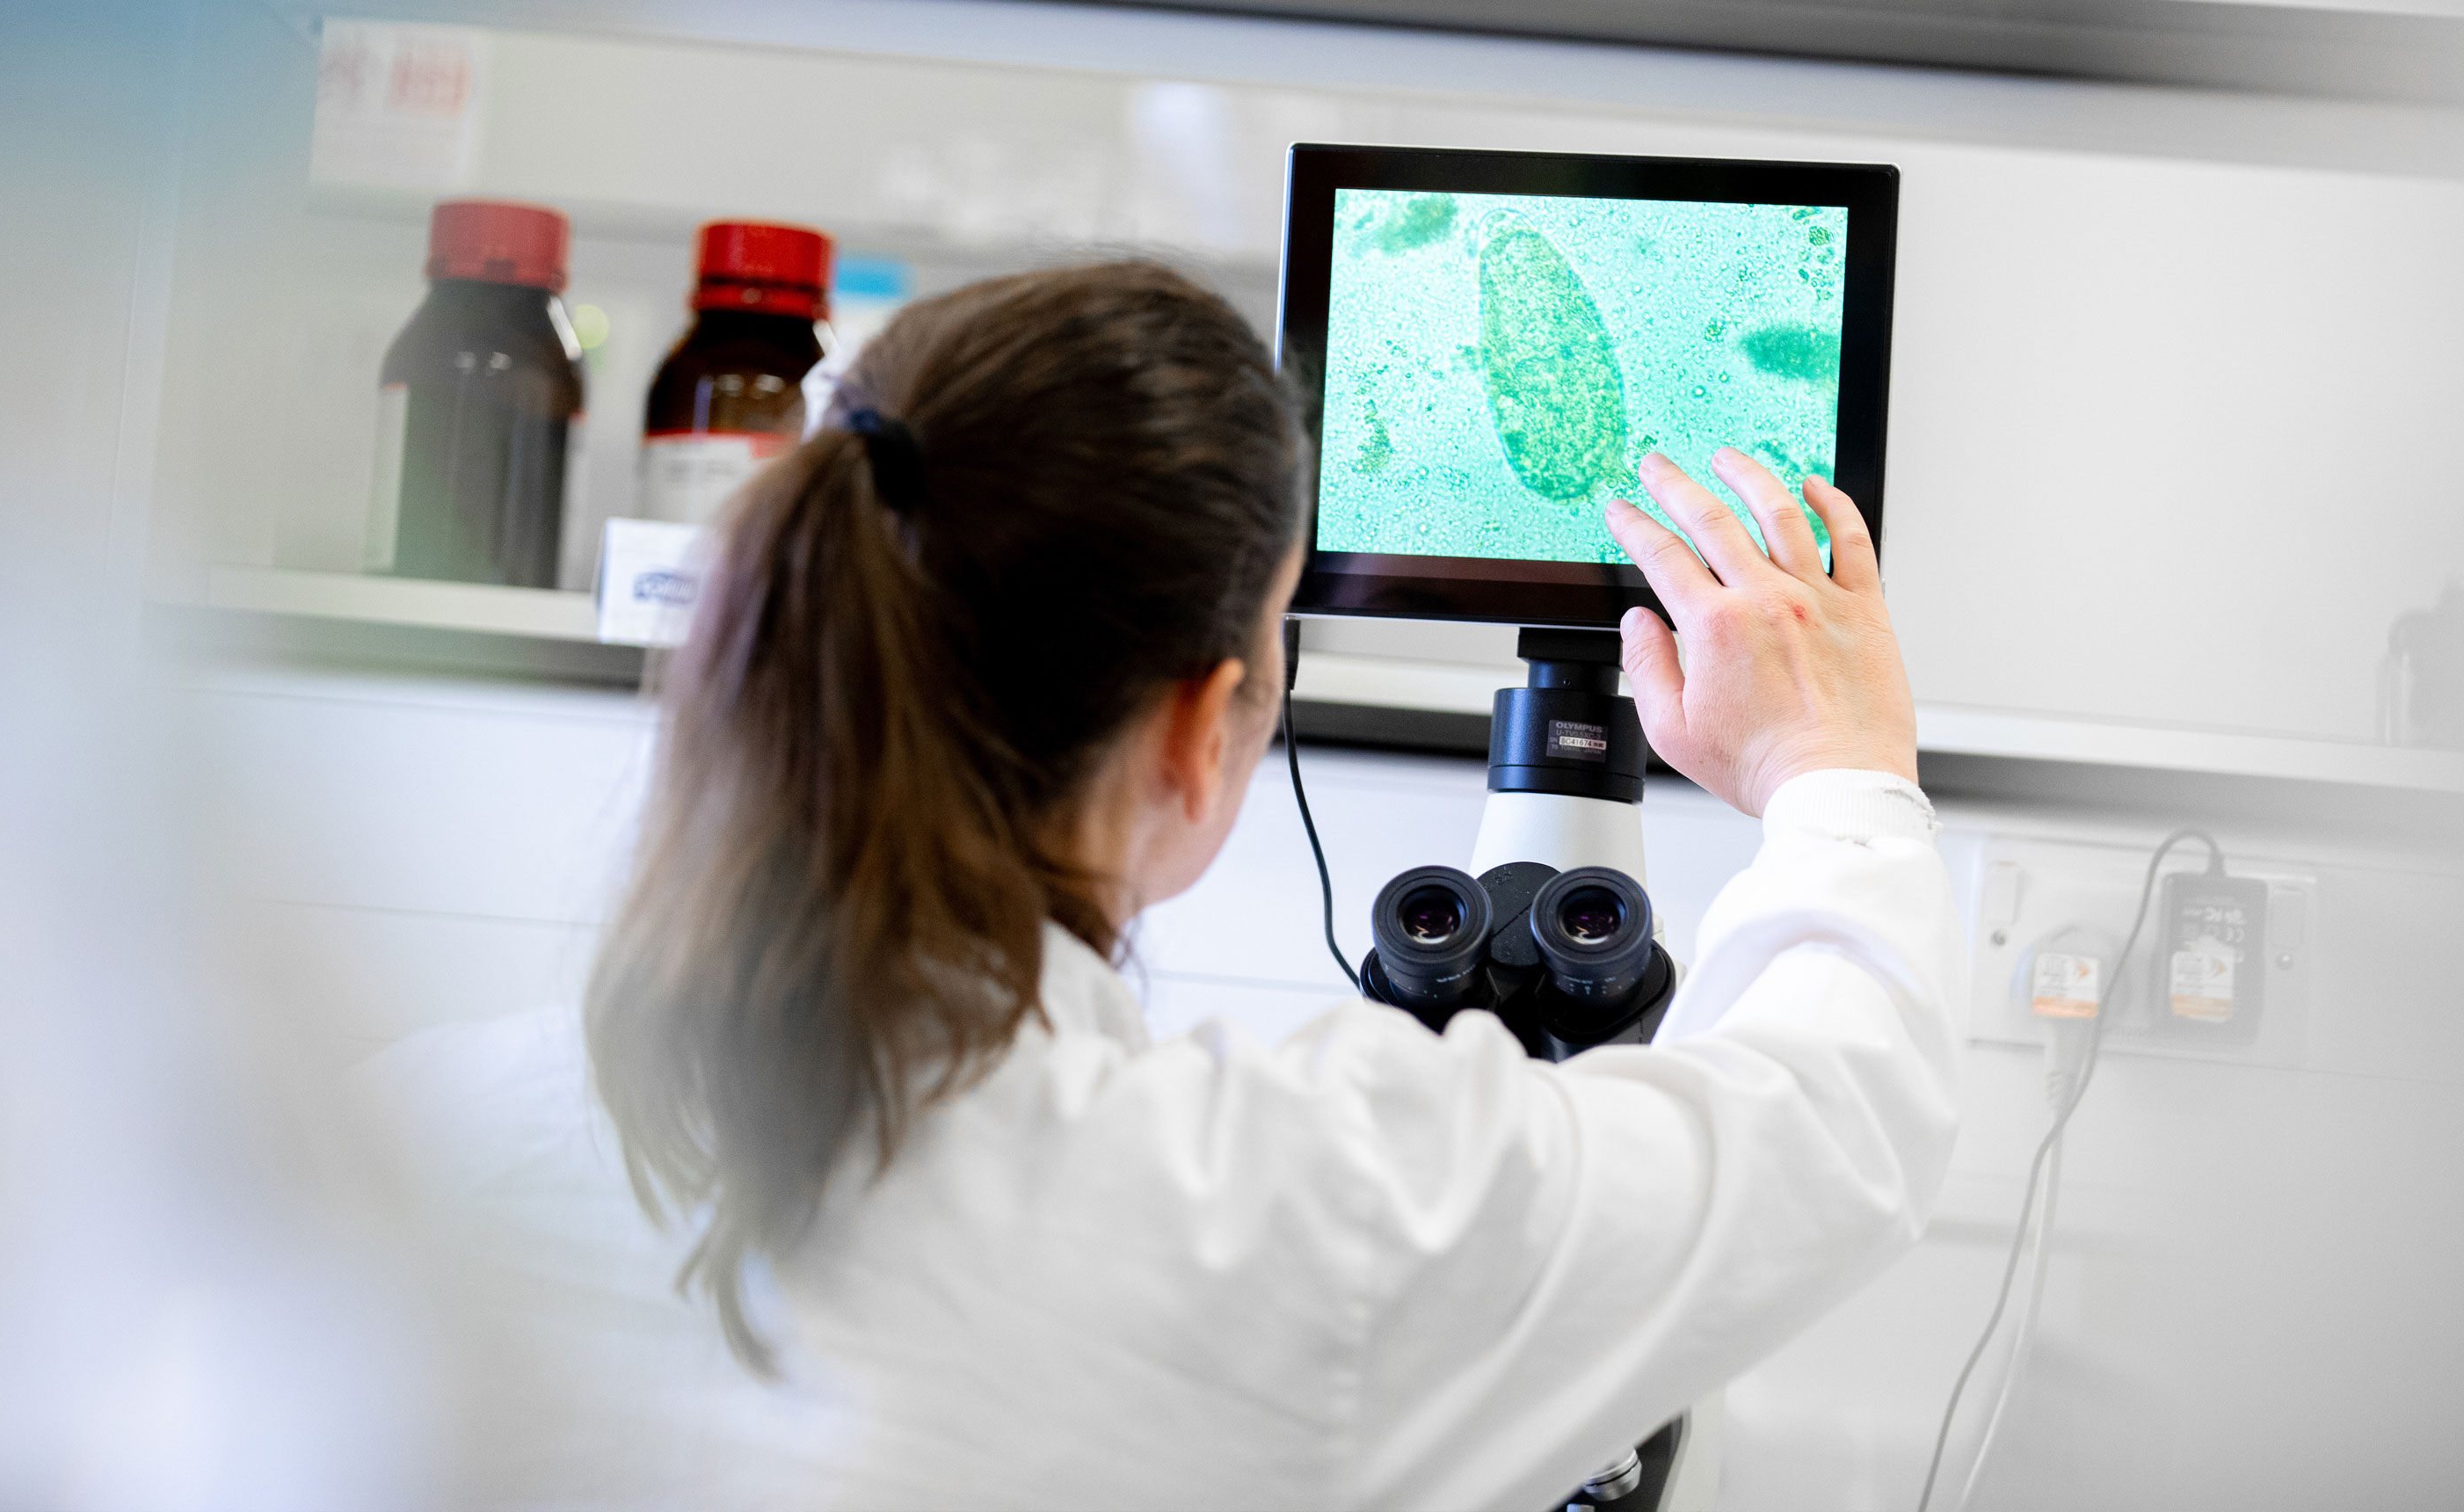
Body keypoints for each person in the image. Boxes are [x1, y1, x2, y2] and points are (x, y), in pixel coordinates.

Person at [380, 260, 1958, 1509]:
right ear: (1204, 730)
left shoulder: (399, 1135)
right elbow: (1836, 1123)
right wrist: (1835, 761)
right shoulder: (1289, 1217)